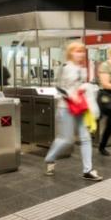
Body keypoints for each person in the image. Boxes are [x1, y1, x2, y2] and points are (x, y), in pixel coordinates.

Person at [44, 42, 102, 181]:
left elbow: (80, 85)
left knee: (86, 137)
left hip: (80, 108)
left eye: (82, 51)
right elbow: (57, 87)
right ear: (70, 53)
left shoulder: (83, 69)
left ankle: (87, 170)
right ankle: (50, 158)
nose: (80, 54)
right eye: (77, 51)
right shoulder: (64, 67)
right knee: (66, 139)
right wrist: (71, 96)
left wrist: (85, 89)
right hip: (65, 108)